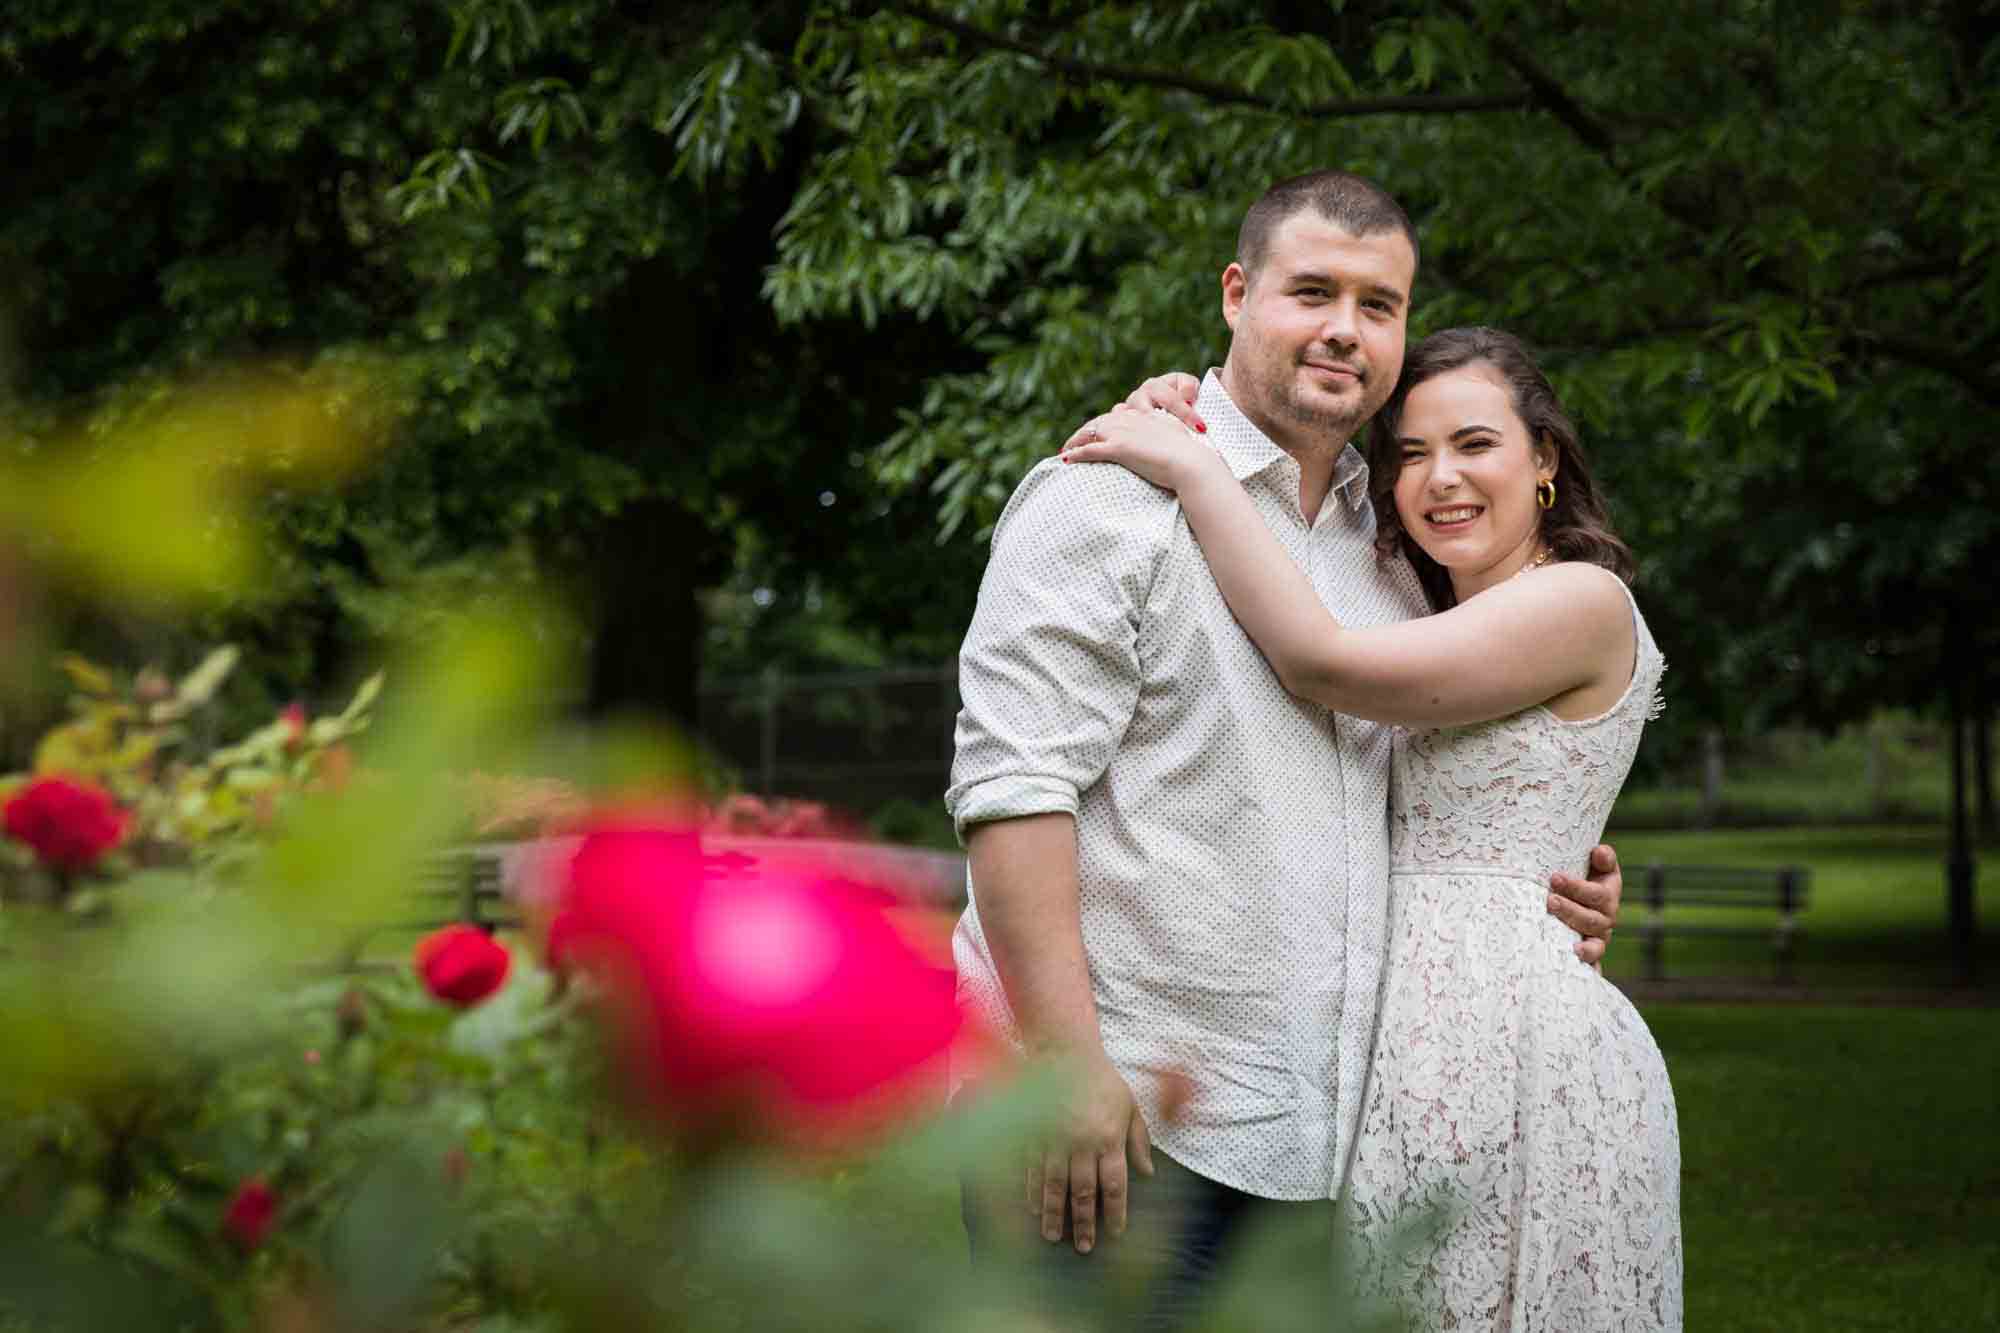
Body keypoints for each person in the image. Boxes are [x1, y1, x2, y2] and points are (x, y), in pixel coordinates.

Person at [943, 171, 1627, 1328]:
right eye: (1310, 291)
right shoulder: (1105, 499)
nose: (1342, 331)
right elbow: (1013, 792)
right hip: (1124, 1132)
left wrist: (1547, 874)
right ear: (1234, 293)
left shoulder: (1397, 551)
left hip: (1338, 1142)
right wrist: (1068, 1066)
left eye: (1377, 305)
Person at [1062, 324, 1683, 1328]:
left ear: (1543, 463)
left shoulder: (1580, 598)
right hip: (1384, 1047)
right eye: (1407, 453)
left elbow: (1320, 663)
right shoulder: (1416, 613)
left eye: (1473, 443)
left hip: (1514, 1046)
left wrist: (1193, 465)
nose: (1439, 477)